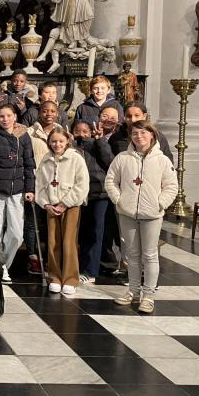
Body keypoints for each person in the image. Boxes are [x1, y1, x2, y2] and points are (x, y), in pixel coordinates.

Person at [106, 121, 178, 314]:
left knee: (150, 255)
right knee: (131, 255)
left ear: (152, 135)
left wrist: (160, 203)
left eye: (143, 133)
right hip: (127, 212)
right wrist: (119, 200)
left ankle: (148, 296)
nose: (139, 137)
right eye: (135, 133)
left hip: (152, 215)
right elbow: (111, 180)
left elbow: (171, 186)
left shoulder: (162, 161)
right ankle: (133, 291)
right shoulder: (123, 158)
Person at [0, 104, 36, 283]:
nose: (5, 119)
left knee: (17, 234)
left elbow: (29, 164)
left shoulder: (24, 136)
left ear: (15, 116)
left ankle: (3, 264)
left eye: (9, 115)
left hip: (17, 191)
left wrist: (30, 189)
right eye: (1, 116)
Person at [35, 127, 90, 295]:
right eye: (53, 141)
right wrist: (45, 204)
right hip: (51, 205)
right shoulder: (45, 160)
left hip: (70, 205)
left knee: (68, 242)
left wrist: (65, 203)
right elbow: (40, 185)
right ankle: (55, 276)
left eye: (60, 141)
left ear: (67, 141)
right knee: (53, 242)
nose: (57, 144)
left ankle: (70, 278)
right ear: (48, 142)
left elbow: (82, 184)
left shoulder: (75, 158)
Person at [72, 119, 115, 284]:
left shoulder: (97, 144)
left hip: (98, 194)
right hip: (79, 195)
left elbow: (110, 161)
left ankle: (91, 270)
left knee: (96, 231)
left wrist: (100, 140)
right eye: (78, 131)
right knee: (82, 232)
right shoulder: (71, 147)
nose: (82, 134)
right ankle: (79, 267)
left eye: (85, 131)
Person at [24, 101, 61, 275]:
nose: (48, 114)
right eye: (45, 111)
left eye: (52, 111)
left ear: (57, 113)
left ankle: (50, 258)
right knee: (32, 222)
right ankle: (32, 257)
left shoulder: (62, 132)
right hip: (35, 182)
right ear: (39, 113)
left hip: (55, 184)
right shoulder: (30, 132)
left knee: (51, 223)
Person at [109, 102, 174, 163]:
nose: (133, 120)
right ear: (124, 117)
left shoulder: (157, 136)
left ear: (144, 116)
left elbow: (168, 161)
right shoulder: (116, 138)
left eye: (137, 115)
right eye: (129, 116)